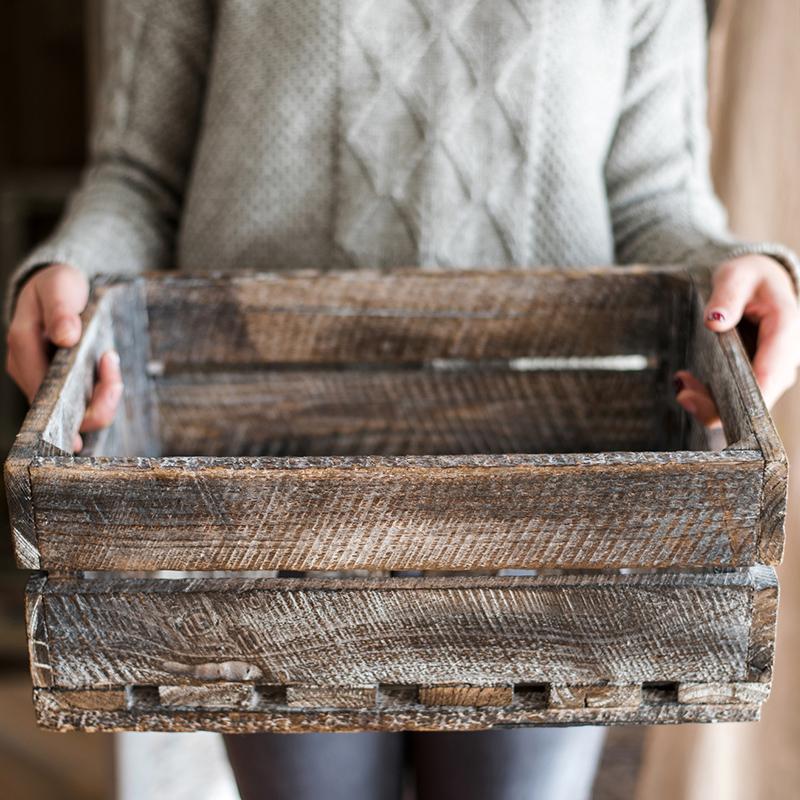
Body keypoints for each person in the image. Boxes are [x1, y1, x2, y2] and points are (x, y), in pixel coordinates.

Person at [5, 1, 799, 798]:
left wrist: (742, 273)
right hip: (262, 507)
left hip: (549, 514)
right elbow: (140, 179)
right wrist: (72, 271)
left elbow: (655, 198)